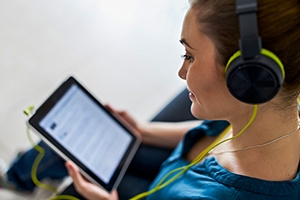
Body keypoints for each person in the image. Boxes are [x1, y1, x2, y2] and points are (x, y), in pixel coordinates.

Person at [2, 0, 300, 199]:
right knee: (85, 137)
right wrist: (143, 130)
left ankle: (18, 180)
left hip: (165, 187)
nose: (181, 72)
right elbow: (218, 132)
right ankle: (16, 176)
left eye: (190, 55)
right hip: (179, 166)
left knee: (75, 179)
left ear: (247, 77)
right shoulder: (277, 115)